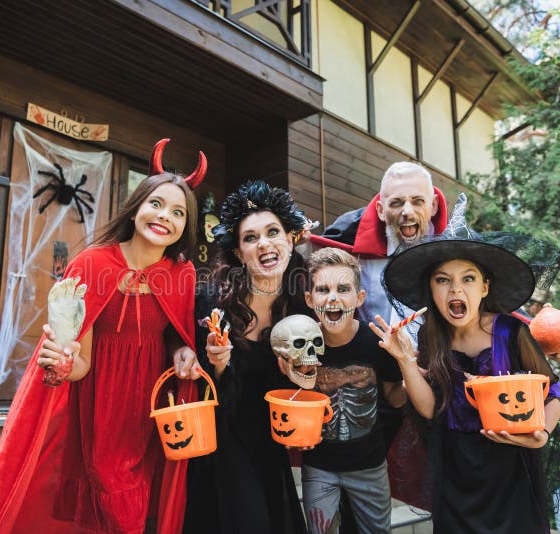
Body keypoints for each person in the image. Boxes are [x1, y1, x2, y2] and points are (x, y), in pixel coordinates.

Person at [0, 140, 206, 534]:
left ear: (186, 226)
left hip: (150, 413)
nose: (165, 216)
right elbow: (81, 363)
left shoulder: (182, 275)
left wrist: (184, 349)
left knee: (140, 508)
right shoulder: (91, 263)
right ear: (136, 208)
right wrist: (60, 361)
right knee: (105, 503)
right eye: (157, 204)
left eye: (178, 212)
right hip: (97, 410)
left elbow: (177, 334)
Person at [370, 194, 560, 533]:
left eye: (468, 278)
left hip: (511, 470)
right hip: (456, 474)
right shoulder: (432, 339)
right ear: (431, 290)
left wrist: (543, 433)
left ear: (485, 286)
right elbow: (430, 409)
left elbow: (553, 391)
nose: (455, 289)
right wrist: (403, 360)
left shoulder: (511, 331)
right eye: (442, 279)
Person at [182, 180, 311, 534]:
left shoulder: (301, 308)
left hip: (269, 446)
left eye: (273, 232)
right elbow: (201, 383)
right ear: (239, 253)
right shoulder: (211, 303)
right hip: (218, 444)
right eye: (251, 238)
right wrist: (218, 365)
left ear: (291, 238)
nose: (264, 244)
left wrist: (298, 379)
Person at [313, 162, 448, 454]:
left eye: (417, 201)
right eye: (396, 203)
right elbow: (315, 263)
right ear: (380, 209)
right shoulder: (349, 233)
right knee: (361, 463)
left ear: (435, 205)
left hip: (434, 374)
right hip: (375, 377)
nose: (407, 212)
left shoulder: (454, 241)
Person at [301, 247, 405, 534]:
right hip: (319, 468)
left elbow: (395, 398)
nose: (333, 297)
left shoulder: (376, 344)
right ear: (310, 299)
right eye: (323, 289)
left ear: (359, 298)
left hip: (370, 468)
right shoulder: (301, 343)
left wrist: (411, 369)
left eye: (343, 288)